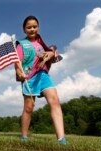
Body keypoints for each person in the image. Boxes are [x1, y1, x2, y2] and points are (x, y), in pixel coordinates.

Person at [14, 15, 67, 144]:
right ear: (24, 30)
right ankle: (24, 136)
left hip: (43, 76)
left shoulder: (41, 43)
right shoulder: (22, 45)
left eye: (35, 26)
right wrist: (20, 74)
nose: (32, 29)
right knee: (29, 107)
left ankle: (61, 139)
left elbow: (51, 55)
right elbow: (17, 63)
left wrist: (49, 55)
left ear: (38, 27)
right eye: (29, 27)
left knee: (55, 101)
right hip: (29, 78)